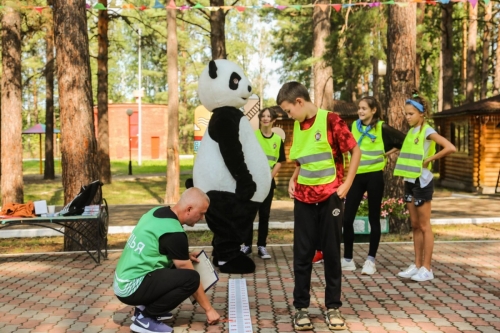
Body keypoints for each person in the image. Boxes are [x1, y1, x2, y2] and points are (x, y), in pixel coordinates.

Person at [277, 82, 361, 331]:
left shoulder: (332, 121)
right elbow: (303, 160)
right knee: (302, 256)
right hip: (303, 199)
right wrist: (293, 178)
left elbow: (355, 152)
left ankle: (333, 308)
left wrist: (347, 184)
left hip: (330, 199)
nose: (288, 115)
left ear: (299, 102)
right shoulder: (296, 124)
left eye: (288, 110)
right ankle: (301, 309)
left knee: (332, 255)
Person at [113, 187, 220, 333]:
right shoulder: (174, 232)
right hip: (131, 288)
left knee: (179, 268)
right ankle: (145, 318)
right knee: (191, 278)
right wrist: (209, 309)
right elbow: (188, 274)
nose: (202, 218)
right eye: (201, 213)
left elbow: (156, 246)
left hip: (122, 282)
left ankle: (144, 308)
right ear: (189, 209)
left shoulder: (157, 212)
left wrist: (184, 255)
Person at [395, 91, 456, 282]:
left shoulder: (427, 130)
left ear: (422, 113)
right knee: (414, 225)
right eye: (406, 113)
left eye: (411, 113)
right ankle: (417, 265)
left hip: (423, 182)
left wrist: (429, 159)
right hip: (410, 181)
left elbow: (450, 147)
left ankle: (427, 268)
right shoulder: (411, 132)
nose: (407, 117)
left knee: (424, 225)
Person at [342, 96, 406, 275]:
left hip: (374, 176)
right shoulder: (353, 126)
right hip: (356, 176)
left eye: (364, 108)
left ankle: (370, 260)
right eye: (359, 108)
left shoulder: (381, 127)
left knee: (373, 218)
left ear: (373, 110)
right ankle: (348, 259)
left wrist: (386, 154)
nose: (360, 111)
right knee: (347, 219)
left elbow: (403, 140)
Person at [241, 106, 286, 259]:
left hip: (268, 182)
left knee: (264, 215)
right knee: (249, 214)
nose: (265, 118)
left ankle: (262, 246)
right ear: (260, 119)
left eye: (268, 116)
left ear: (273, 120)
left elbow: (280, 161)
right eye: (263, 116)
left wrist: (269, 176)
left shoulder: (278, 140)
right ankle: (246, 245)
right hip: (253, 183)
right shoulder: (253, 137)